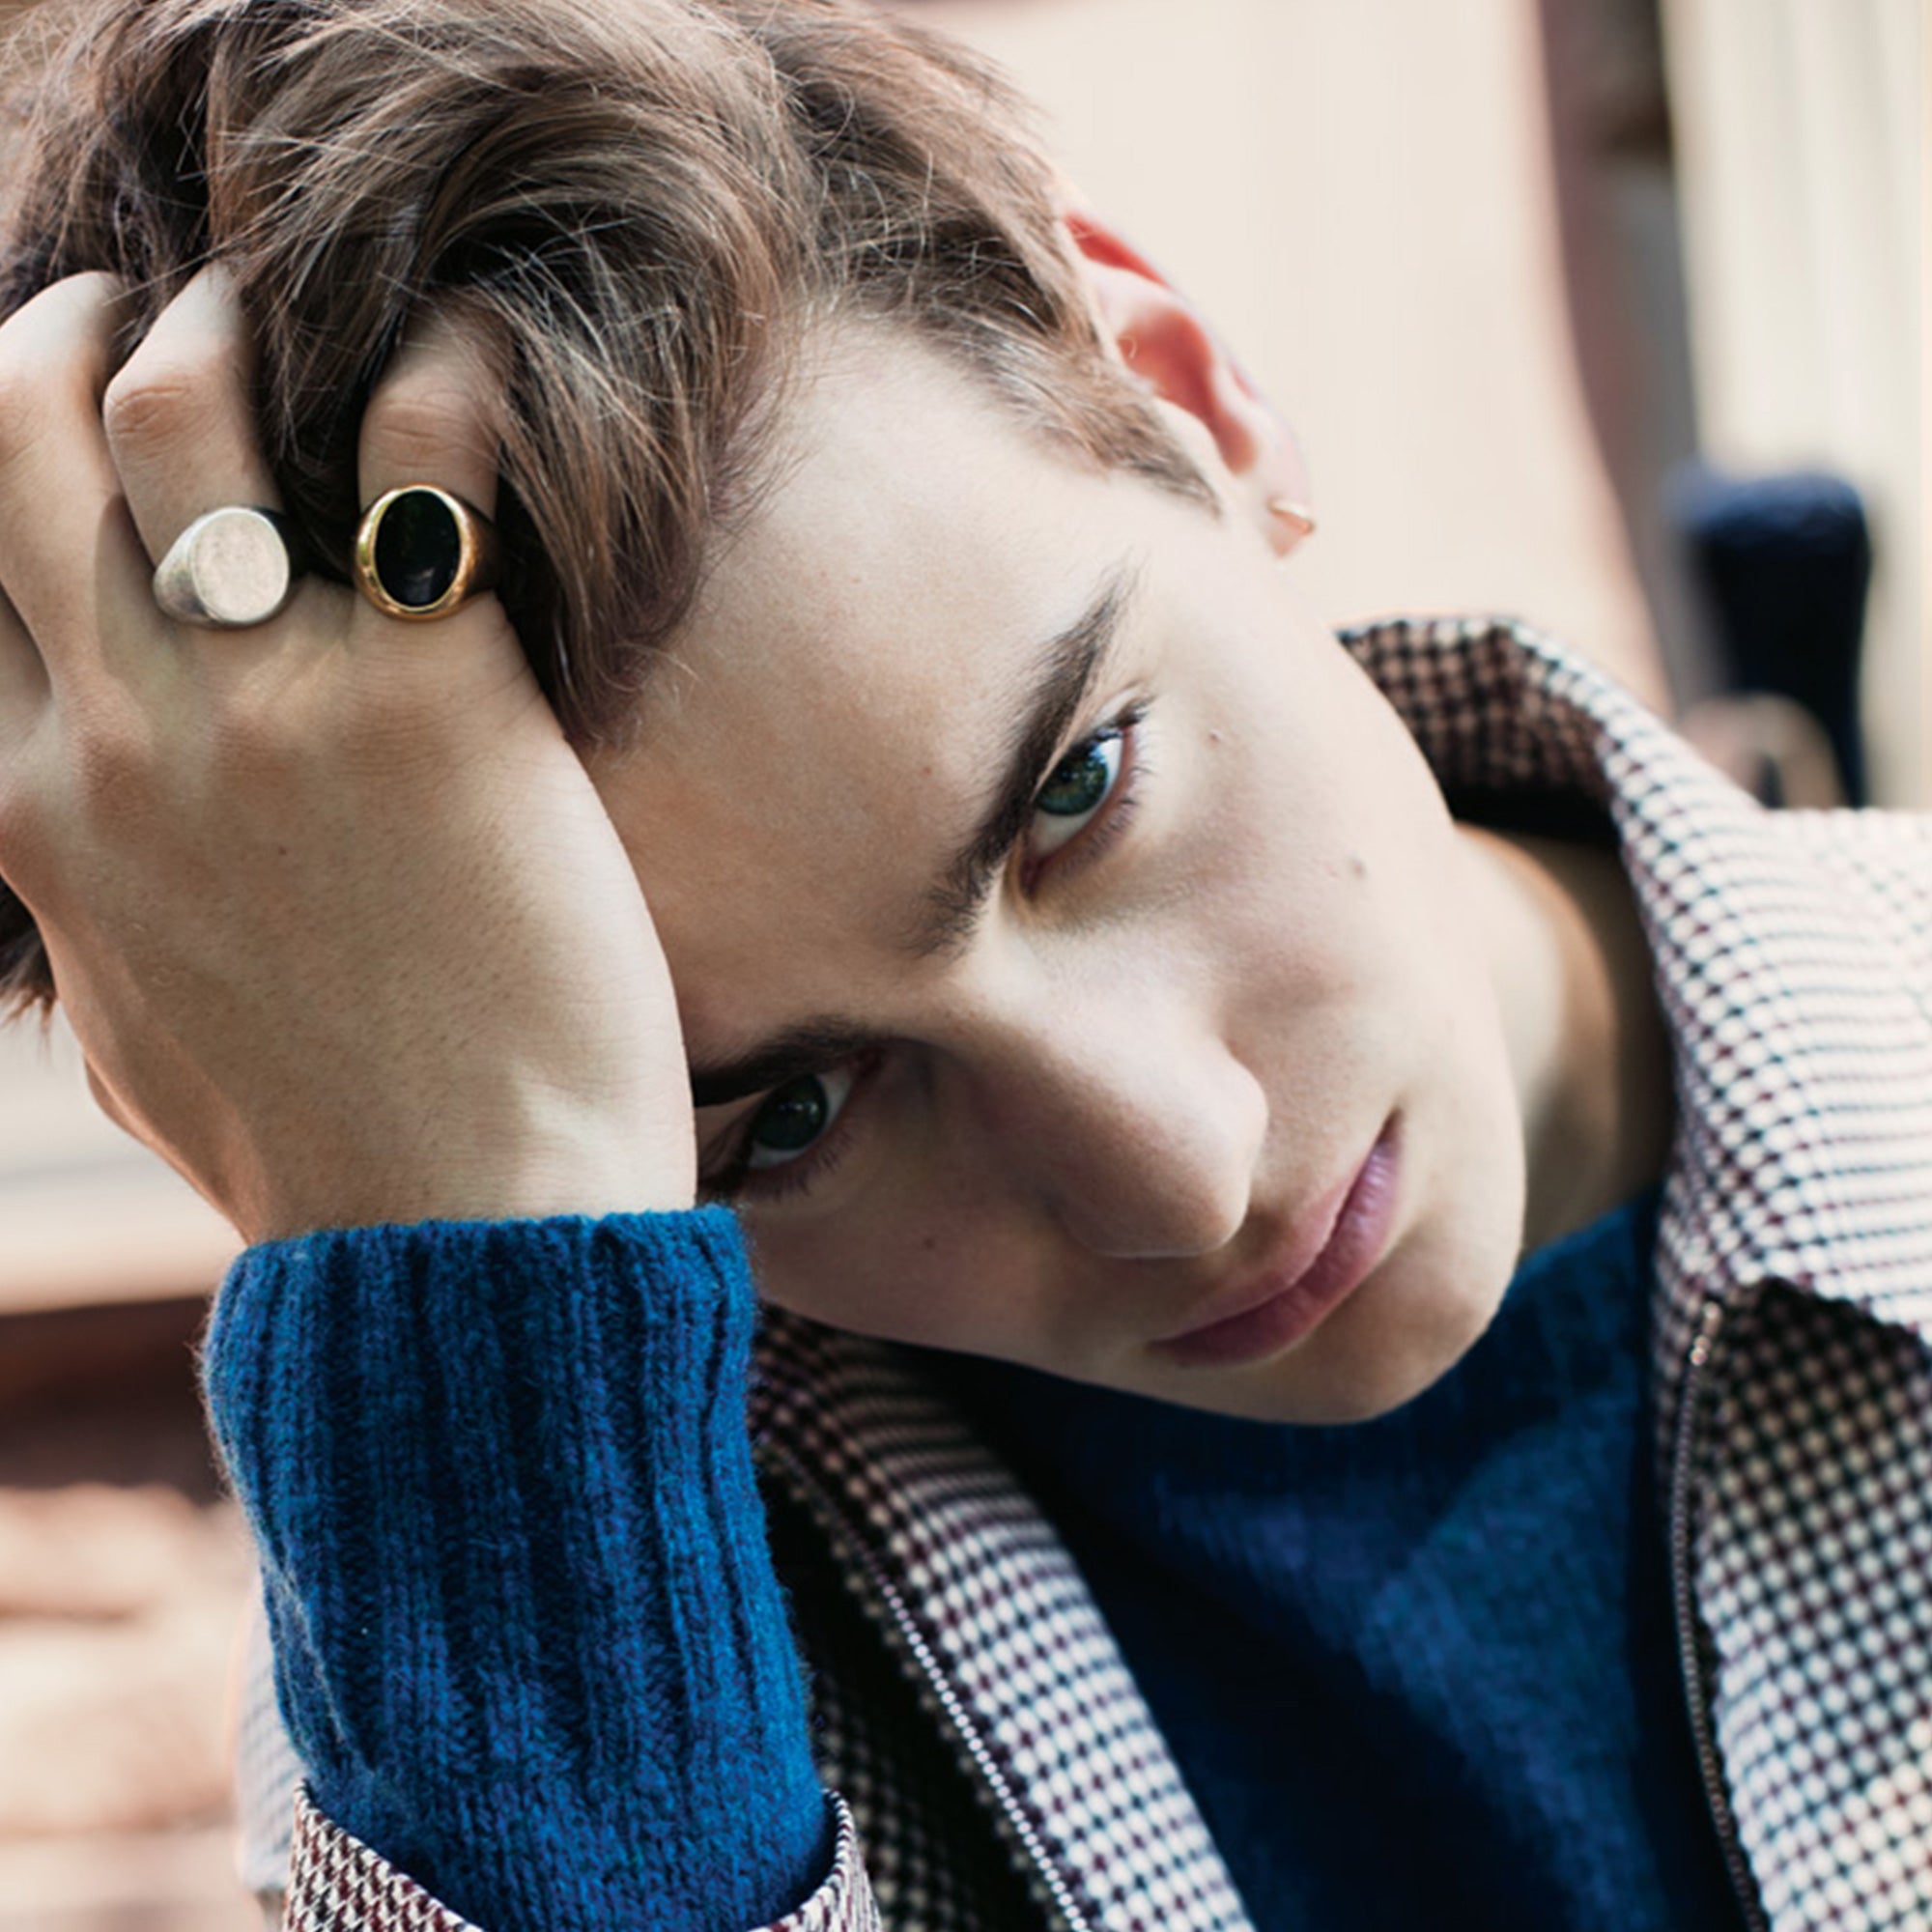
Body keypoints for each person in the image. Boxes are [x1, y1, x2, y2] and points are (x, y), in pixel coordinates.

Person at [0, 1, 1925, 1928]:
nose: (1179, 1179)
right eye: (792, 1118)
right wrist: (488, 1312)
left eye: (1081, 789)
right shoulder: (499, 1690)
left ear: (1185, 390)